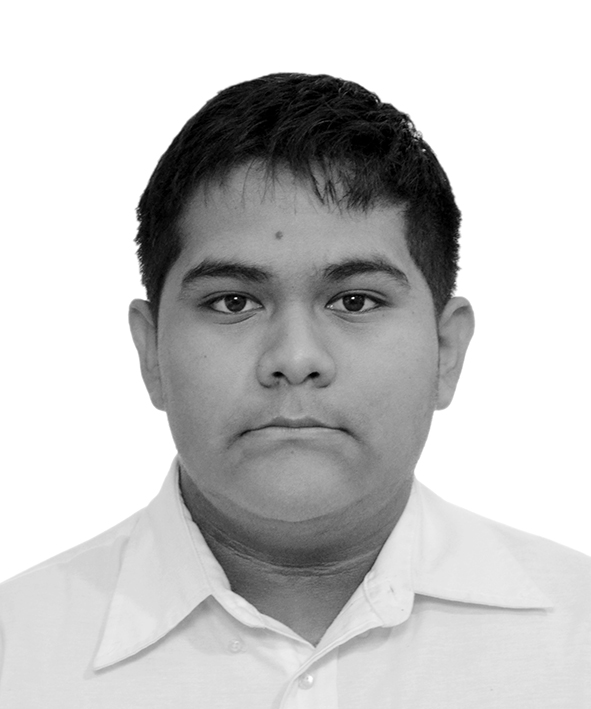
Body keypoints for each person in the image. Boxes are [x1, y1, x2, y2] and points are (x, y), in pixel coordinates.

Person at [0, 73, 589, 707]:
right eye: (233, 302)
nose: (295, 359)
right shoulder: (18, 655)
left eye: (355, 300)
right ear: (152, 353)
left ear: (446, 350)